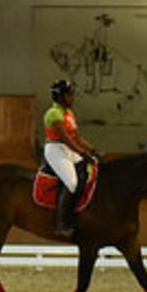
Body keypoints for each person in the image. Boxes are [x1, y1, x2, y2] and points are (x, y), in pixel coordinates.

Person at [43, 78, 101, 238]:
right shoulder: (53, 114)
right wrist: (83, 154)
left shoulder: (69, 114)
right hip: (56, 149)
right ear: (61, 97)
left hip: (68, 148)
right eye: (70, 95)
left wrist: (93, 150)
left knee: (89, 170)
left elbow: (76, 137)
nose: (72, 98)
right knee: (72, 183)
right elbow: (65, 138)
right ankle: (62, 223)